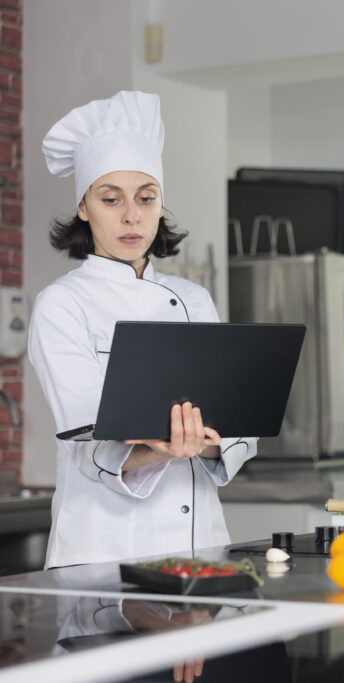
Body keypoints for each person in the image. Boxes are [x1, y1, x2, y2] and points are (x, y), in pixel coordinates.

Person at [28, 91, 257, 569]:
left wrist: (208, 441)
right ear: (85, 208)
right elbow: (89, 448)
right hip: (106, 555)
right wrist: (164, 449)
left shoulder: (195, 300)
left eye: (146, 198)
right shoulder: (62, 304)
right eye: (111, 199)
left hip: (202, 551)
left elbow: (239, 424)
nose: (132, 215)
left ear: (160, 205)